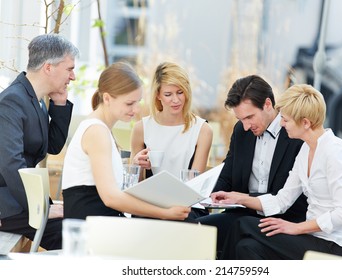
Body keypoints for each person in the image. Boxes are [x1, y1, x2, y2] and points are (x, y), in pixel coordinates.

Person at [219, 84, 342, 260]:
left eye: (286, 120)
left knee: (241, 224)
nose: (281, 123)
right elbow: (282, 200)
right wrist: (239, 198)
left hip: (334, 245)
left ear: (305, 123)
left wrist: (296, 228)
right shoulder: (306, 151)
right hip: (311, 237)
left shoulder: (336, 152)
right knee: (246, 247)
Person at [61, 62, 190, 221]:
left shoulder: (100, 129)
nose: (135, 110)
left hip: (100, 221)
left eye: (138, 102)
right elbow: (111, 198)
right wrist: (165, 213)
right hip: (94, 228)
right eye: (129, 103)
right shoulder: (97, 132)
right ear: (107, 98)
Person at [196, 75, 308, 255]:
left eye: (249, 117)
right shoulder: (241, 131)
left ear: (268, 104)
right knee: (195, 229)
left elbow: (290, 198)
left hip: (283, 220)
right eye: (241, 119)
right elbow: (227, 174)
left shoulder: (295, 135)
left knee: (242, 244)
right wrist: (206, 195)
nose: (246, 126)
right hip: (243, 214)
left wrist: (242, 198)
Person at [0, 34, 79, 250]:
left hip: (25, 199)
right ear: (48, 67)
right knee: (73, 234)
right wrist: (40, 208)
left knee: (79, 223)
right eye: (69, 69)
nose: (73, 76)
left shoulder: (34, 97)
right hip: (8, 205)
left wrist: (60, 104)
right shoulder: (12, 101)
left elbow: (51, 146)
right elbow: (10, 164)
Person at [130, 61, 213, 219]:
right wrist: (137, 164)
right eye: (168, 94)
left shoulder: (202, 130)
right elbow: (136, 184)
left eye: (180, 92)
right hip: (151, 204)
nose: (176, 100)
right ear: (158, 95)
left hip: (188, 205)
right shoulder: (142, 128)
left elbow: (194, 188)